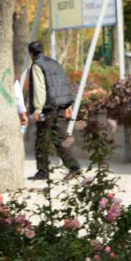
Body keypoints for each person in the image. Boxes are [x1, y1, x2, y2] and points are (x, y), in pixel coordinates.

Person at [26, 41, 82, 181]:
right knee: (58, 138)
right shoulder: (55, 63)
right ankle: (71, 167)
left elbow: (39, 89)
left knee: (42, 139)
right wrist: (68, 104)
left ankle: (44, 171)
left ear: (31, 53)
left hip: (47, 108)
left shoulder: (37, 65)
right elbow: (64, 84)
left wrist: (37, 109)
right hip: (60, 106)